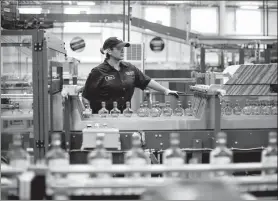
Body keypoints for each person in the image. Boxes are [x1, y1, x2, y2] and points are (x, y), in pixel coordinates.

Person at [65, 37, 181, 113]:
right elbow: (86, 96)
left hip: (125, 115)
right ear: (109, 51)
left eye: (123, 48)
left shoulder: (129, 68)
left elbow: (146, 80)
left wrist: (166, 90)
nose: (123, 51)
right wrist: (87, 113)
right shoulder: (97, 72)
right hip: (103, 117)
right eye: (119, 48)